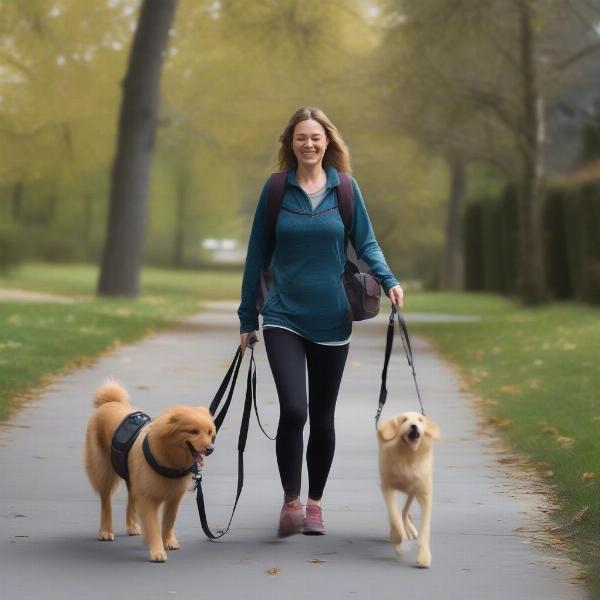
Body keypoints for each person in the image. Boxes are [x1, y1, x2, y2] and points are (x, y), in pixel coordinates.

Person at [238, 106, 403, 537]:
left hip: (332, 317)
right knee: (295, 409)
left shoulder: (345, 189)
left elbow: (366, 242)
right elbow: (256, 255)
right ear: (290, 145)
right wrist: (246, 318)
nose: (308, 144)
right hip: (282, 315)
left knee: (323, 416)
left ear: (327, 141)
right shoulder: (276, 190)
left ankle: (315, 505)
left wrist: (388, 281)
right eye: (300, 138)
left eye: (315, 137)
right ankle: (290, 501)